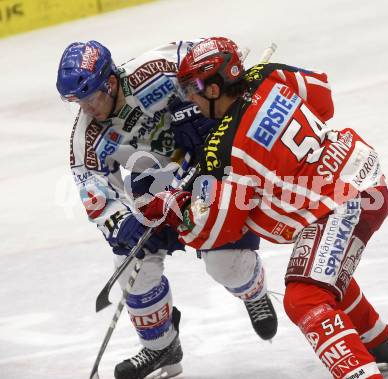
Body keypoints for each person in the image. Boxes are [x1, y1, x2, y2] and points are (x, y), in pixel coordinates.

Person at [141, 37, 388, 379]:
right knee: (314, 272)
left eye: (191, 88)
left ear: (213, 89)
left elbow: (217, 229)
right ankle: (379, 344)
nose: (189, 98)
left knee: (304, 299)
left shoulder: (225, 152)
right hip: (360, 173)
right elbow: (323, 100)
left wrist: (178, 210)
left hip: (345, 202)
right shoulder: (267, 74)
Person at [56, 39, 278, 379]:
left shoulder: (156, 69)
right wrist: (121, 225)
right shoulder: (86, 139)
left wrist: (205, 104)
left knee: (225, 264)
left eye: (90, 98)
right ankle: (163, 347)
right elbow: (95, 191)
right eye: (77, 102)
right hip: (158, 183)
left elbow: (207, 72)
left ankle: (254, 290)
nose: (86, 108)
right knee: (132, 262)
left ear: (110, 82)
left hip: (213, 159)